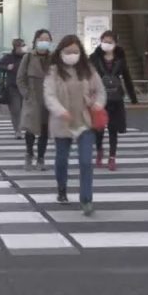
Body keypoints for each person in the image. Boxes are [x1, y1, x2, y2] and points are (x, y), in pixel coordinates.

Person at [44, 34, 106, 216]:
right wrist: (60, 111)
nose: (72, 55)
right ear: (60, 52)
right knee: (62, 160)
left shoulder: (88, 70)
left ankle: (86, 199)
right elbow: (49, 95)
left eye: (75, 51)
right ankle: (62, 188)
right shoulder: (54, 71)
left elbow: (100, 91)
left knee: (86, 162)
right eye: (68, 51)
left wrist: (98, 104)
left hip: (85, 121)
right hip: (63, 122)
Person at [90, 30, 138, 171]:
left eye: (110, 42)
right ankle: (99, 150)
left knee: (113, 129)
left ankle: (112, 158)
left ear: (115, 43)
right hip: (99, 98)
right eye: (104, 41)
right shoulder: (94, 58)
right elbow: (87, 77)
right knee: (98, 128)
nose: (107, 44)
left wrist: (133, 98)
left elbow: (127, 77)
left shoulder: (120, 58)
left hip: (116, 98)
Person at [17, 30, 53, 171]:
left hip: (48, 99)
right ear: (36, 40)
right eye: (41, 39)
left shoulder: (53, 58)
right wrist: (26, 94)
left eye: (47, 39)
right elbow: (20, 78)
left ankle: (41, 158)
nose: (44, 41)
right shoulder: (28, 57)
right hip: (32, 98)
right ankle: (29, 154)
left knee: (44, 130)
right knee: (30, 129)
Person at [0, 38, 26, 139]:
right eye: (19, 46)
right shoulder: (9, 57)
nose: (21, 48)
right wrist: (7, 67)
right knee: (16, 110)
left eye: (23, 46)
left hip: (25, 87)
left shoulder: (27, 57)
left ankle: (23, 128)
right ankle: (18, 130)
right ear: (15, 47)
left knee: (24, 110)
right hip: (13, 87)